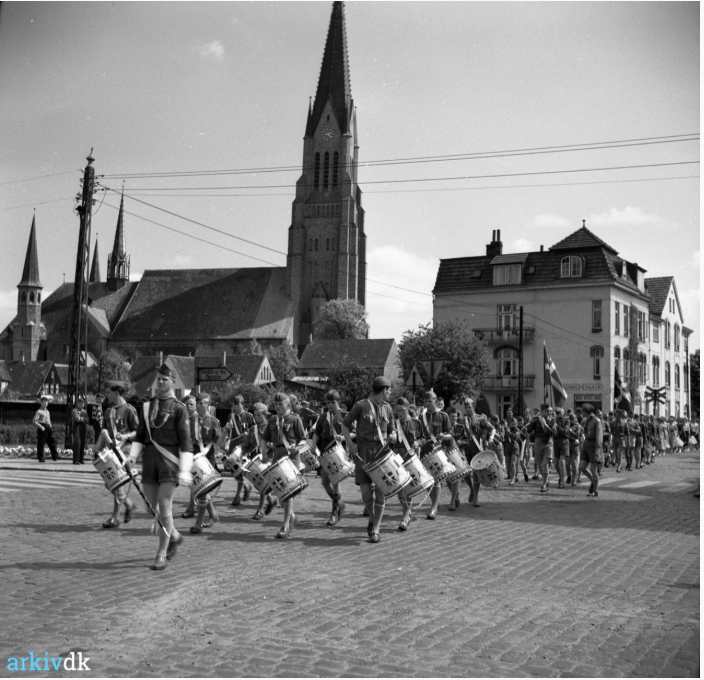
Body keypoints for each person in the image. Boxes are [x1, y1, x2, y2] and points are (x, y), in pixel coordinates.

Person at [128, 363, 193, 571]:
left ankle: (161, 553)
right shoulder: (147, 406)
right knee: (151, 509)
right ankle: (174, 536)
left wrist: (184, 469)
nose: (161, 382)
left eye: (165, 379)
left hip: (169, 463)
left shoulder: (179, 409)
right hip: (149, 461)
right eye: (159, 379)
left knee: (164, 507)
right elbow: (140, 436)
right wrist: (132, 457)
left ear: (173, 381)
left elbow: (186, 442)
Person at [342, 376, 395, 543]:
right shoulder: (360, 406)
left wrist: (393, 435)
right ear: (383, 390)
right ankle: (372, 518)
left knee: (381, 493)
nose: (390, 393)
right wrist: (350, 443)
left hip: (382, 454)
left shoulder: (388, 408)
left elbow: (393, 430)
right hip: (363, 454)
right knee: (366, 494)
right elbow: (345, 425)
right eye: (389, 390)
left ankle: (376, 529)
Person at [95, 380, 138, 529]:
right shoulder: (108, 410)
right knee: (111, 484)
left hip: (125, 451)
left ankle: (115, 517)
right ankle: (128, 504)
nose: (107, 395)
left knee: (117, 483)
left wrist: (125, 437)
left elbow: (137, 432)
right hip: (112, 452)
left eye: (109, 392)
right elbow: (105, 431)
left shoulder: (129, 409)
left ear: (117, 393)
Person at [263, 392, 307, 539]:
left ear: (287, 404)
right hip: (277, 456)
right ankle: (291, 517)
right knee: (282, 494)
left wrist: (297, 447)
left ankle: (285, 525)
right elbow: (265, 438)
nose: (277, 407)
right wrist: (265, 452)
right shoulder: (272, 420)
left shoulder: (295, 419)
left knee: (287, 494)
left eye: (280, 404)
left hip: (291, 458)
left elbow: (303, 440)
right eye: (276, 405)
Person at [183, 393, 220, 535]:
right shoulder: (191, 419)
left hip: (207, 459)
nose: (200, 405)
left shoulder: (213, 421)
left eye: (203, 403)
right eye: (198, 403)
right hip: (194, 458)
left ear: (208, 404)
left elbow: (217, 440)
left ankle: (198, 524)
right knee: (198, 489)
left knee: (202, 491)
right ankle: (213, 514)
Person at [311, 389, 347, 528]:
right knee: (325, 483)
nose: (330, 405)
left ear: (338, 402)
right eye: (328, 402)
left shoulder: (344, 415)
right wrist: (313, 445)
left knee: (335, 482)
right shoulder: (323, 416)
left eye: (333, 402)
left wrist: (343, 437)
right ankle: (340, 503)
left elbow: (354, 432)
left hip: (338, 453)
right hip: (325, 451)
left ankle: (334, 512)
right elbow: (317, 432)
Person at [417, 389, 454, 517]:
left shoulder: (443, 416)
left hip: (438, 451)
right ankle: (435, 503)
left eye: (430, 400)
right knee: (427, 481)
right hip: (424, 453)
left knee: (437, 480)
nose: (428, 403)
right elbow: (417, 435)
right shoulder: (421, 417)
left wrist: (444, 436)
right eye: (426, 401)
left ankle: (434, 508)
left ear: (435, 400)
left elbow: (450, 435)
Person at [391, 397, 423, 531]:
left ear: (408, 408)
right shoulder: (393, 423)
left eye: (402, 410)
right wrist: (391, 437)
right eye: (397, 411)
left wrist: (418, 443)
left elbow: (423, 438)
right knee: (400, 490)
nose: (399, 413)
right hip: (397, 459)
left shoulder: (416, 423)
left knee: (407, 489)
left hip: (410, 458)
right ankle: (407, 511)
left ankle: (406, 514)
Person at [224, 395, 256, 506]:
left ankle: (237, 496)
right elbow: (228, 432)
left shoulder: (249, 416)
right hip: (233, 446)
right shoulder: (231, 416)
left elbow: (254, 432)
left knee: (236, 467)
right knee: (235, 471)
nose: (234, 407)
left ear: (241, 404)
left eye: (235, 405)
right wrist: (227, 429)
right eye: (233, 405)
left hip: (243, 447)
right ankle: (246, 486)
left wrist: (251, 446)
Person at [526, 404, 556, 492]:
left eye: (551, 411)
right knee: (540, 465)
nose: (550, 413)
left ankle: (544, 484)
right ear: (542, 411)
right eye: (548, 411)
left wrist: (545, 424)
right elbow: (528, 430)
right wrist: (531, 421)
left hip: (548, 444)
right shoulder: (536, 419)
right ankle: (545, 481)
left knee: (544, 465)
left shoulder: (553, 420)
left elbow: (553, 433)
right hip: (538, 443)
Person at [580, 404, 603, 497]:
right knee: (582, 468)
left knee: (593, 470)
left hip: (594, 446)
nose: (582, 413)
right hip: (586, 444)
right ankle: (593, 481)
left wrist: (598, 450)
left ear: (586, 412)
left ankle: (595, 490)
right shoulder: (585, 421)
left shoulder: (596, 421)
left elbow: (599, 436)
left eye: (583, 411)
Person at [33, 395, 58, 462]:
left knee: (52, 442)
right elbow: (34, 421)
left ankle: (55, 456)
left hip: (48, 427)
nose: (45, 404)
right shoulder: (39, 411)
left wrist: (51, 427)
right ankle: (41, 458)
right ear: (41, 403)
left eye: (46, 402)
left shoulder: (47, 412)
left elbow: (49, 420)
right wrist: (41, 427)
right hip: (42, 427)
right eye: (44, 402)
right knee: (41, 444)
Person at [71, 396, 89, 464]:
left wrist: (81, 419)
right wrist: (82, 419)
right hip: (76, 428)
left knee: (82, 444)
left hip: (83, 428)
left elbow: (87, 420)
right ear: (77, 404)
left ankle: (81, 459)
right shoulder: (74, 410)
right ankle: (76, 460)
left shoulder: (84, 411)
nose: (81, 404)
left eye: (82, 403)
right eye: (80, 403)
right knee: (77, 444)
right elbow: (77, 419)